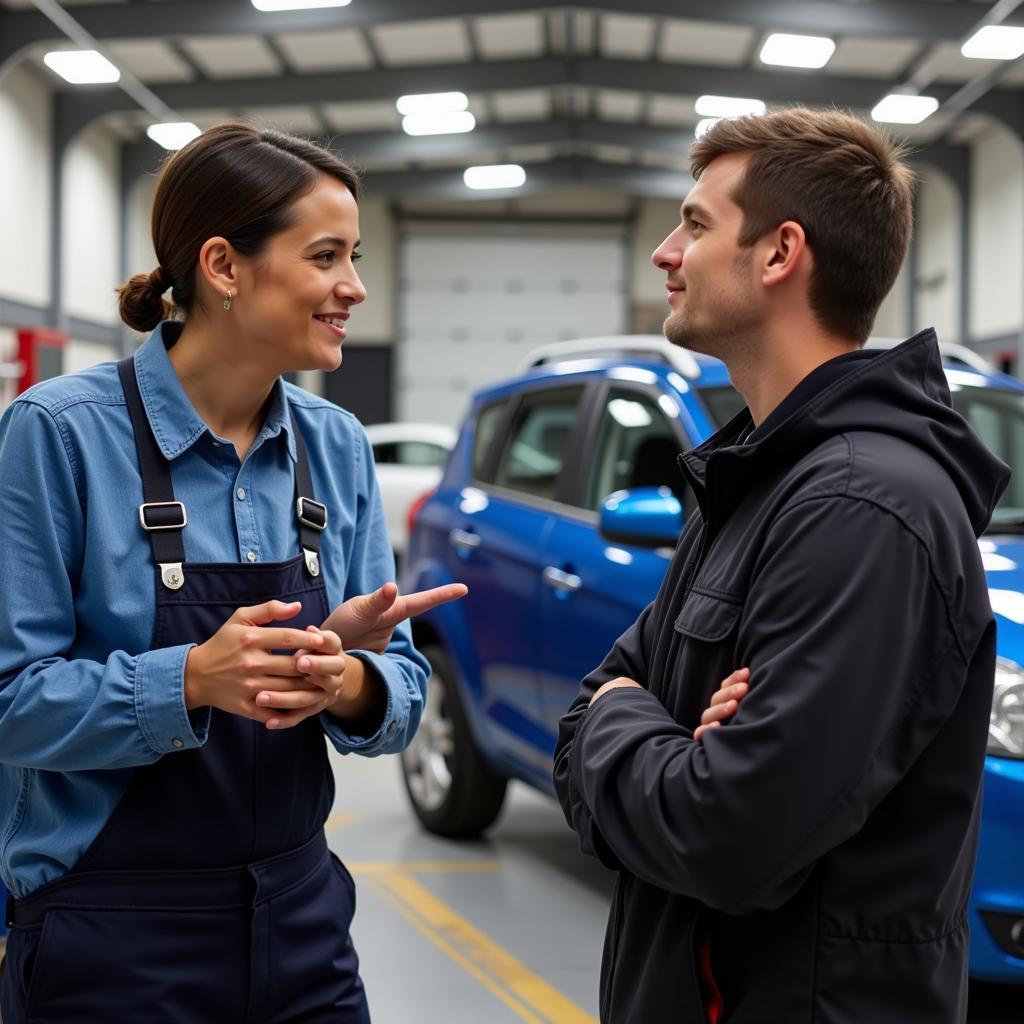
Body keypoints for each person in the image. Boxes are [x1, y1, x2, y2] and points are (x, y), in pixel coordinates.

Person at [0, 122, 465, 1023]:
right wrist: (194, 679)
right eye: (326, 255)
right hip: (112, 937)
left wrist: (346, 683)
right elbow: (11, 703)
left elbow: (400, 685)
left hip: (302, 925)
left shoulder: (335, 448)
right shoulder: (57, 436)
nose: (355, 288)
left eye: (355, 256)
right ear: (223, 266)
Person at [553, 107, 1010, 1022]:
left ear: (778, 253)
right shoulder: (757, 480)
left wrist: (623, 720)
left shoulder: (860, 510)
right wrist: (658, 733)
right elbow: (585, 714)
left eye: (694, 223)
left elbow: (726, 835)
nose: (665, 253)